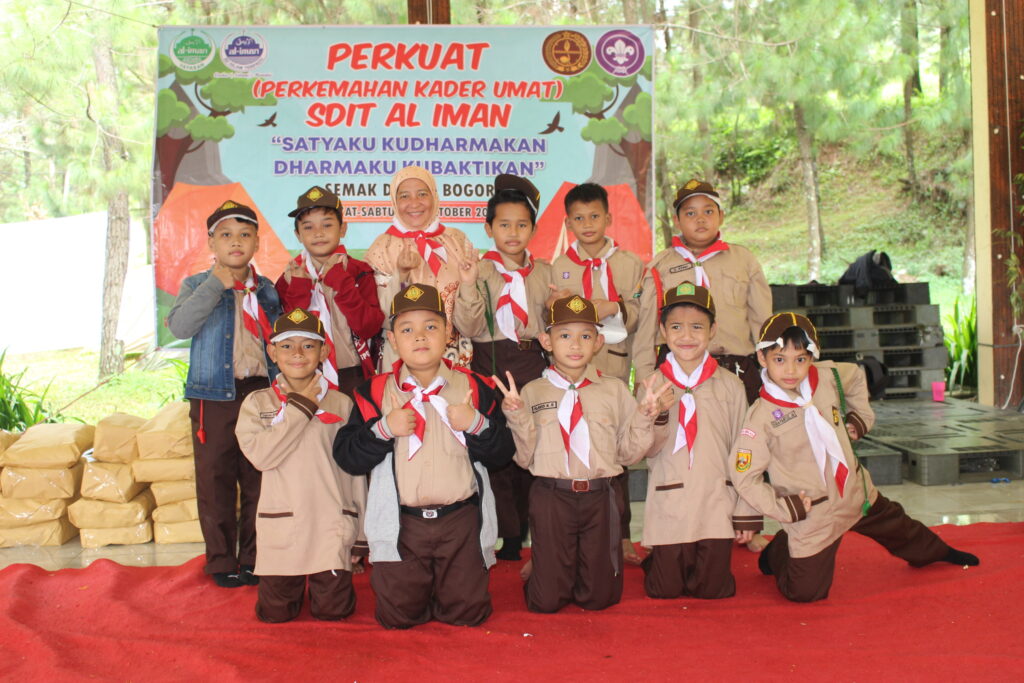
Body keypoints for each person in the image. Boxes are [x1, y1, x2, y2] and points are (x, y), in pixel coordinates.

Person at [731, 313, 980, 602]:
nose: (790, 369)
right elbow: (744, 477)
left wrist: (861, 418)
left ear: (812, 356)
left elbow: (858, 376)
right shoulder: (759, 418)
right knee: (805, 593)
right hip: (813, 513)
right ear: (762, 358)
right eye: (779, 359)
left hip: (855, 492)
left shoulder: (828, 376)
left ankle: (938, 552)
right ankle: (778, 554)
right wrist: (783, 508)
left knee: (900, 527)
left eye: (800, 359)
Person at [332, 284, 514, 629]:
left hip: (461, 521)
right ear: (392, 339)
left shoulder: (475, 387)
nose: (419, 337)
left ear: (448, 333)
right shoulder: (372, 392)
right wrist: (383, 429)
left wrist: (477, 425)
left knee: (467, 615)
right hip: (402, 523)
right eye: (407, 329)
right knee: (398, 618)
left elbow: (503, 454)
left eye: (431, 326)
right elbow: (348, 457)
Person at [495, 295, 667, 613]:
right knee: (546, 602)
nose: (575, 344)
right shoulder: (531, 392)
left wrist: (645, 417)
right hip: (551, 495)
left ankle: (561, 567)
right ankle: (545, 566)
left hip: (600, 496)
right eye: (564, 335)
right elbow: (523, 459)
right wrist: (516, 416)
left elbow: (628, 455)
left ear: (599, 342)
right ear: (546, 341)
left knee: (598, 599)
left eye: (585, 336)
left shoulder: (614, 390)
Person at [166, 200, 281, 588]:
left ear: (257, 243)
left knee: (258, 477)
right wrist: (217, 284)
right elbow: (180, 327)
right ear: (211, 242)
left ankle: (253, 557)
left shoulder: (267, 290)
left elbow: (280, 340)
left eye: (245, 235)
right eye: (226, 235)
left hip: (260, 393)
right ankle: (220, 560)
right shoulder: (197, 285)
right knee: (215, 478)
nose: (236, 242)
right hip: (214, 396)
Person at [235, 308, 367, 622]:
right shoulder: (258, 403)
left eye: (308, 345)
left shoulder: (342, 404)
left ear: (324, 352)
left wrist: (361, 534)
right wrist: (304, 406)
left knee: (334, 612)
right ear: (272, 353)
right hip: (282, 525)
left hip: (330, 524)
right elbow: (262, 457)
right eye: (286, 346)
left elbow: (355, 473)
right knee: (275, 614)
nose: (297, 353)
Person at [452, 174, 551, 561]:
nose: (513, 233)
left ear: (534, 229)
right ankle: (507, 535)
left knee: (534, 446)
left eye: (522, 225)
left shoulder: (544, 272)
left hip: (532, 364)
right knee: (497, 450)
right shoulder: (479, 270)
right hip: (490, 363)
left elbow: (553, 327)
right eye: (504, 225)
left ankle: (534, 530)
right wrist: (467, 285)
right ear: (489, 228)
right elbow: (468, 326)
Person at [637, 283, 756, 599]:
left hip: (716, 499)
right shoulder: (651, 386)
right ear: (663, 331)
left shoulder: (731, 385)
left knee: (713, 590)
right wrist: (655, 415)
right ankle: (657, 560)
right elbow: (641, 450)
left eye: (697, 327)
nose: (686, 336)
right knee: (664, 590)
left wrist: (746, 510)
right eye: (676, 327)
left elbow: (744, 450)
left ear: (713, 330)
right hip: (670, 499)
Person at [548, 182, 645, 565]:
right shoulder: (560, 266)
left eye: (594, 216)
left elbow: (641, 313)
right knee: (574, 445)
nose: (587, 224)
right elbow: (553, 318)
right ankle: (571, 535)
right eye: (579, 218)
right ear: (568, 223)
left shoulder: (630, 263)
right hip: (572, 371)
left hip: (614, 367)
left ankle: (622, 535)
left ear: (608, 218)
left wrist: (613, 307)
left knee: (617, 452)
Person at [633, 179, 771, 405]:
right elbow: (647, 329)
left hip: (735, 367)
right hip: (676, 372)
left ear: (721, 216)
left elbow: (762, 321)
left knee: (741, 426)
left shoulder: (743, 260)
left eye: (708, 211)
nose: (700, 219)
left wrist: (772, 369)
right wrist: (643, 376)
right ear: (676, 221)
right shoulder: (661, 266)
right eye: (690, 213)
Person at [365, 166, 479, 368]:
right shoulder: (382, 248)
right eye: (404, 196)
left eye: (422, 194)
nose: (414, 203)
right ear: (394, 201)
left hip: (454, 360)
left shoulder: (457, 241)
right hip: (402, 361)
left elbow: (472, 325)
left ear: (434, 196)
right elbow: (380, 320)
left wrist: (469, 284)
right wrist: (400, 275)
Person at [274, 185, 383, 398]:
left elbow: (369, 327)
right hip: (303, 375)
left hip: (352, 373)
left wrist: (342, 284)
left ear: (343, 229)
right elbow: (285, 334)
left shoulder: (359, 271)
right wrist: (299, 289)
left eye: (327, 224)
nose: (318, 233)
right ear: (297, 235)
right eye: (308, 227)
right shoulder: (289, 277)